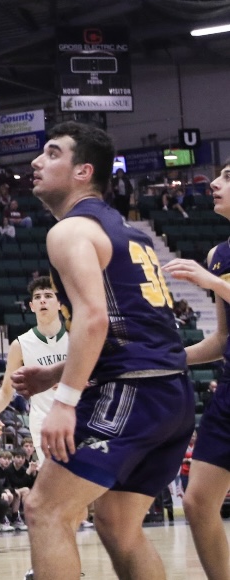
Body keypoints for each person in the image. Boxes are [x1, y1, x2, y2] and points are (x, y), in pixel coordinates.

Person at [14, 123, 194, 580]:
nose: (37, 161)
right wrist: (54, 376)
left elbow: (95, 319)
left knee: (44, 510)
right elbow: (130, 328)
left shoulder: (71, 230)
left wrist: (65, 401)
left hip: (128, 392)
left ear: (83, 172)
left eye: (52, 154)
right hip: (170, 395)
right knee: (118, 524)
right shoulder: (130, 233)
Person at [164, 159, 230, 580]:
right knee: (197, 500)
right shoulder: (218, 255)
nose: (215, 183)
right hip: (229, 392)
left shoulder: (214, 272)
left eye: (228, 178)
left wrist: (213, 283)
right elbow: (223, 339)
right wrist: (169, 358)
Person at [0, 277, 67, 454]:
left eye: (48, 295)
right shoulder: (21, 344)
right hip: (44, 426)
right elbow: (6, 391)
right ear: (32, 306)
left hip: (79, 421)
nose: (42, 300)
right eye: (37, 297)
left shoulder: (76, 338)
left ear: (60, 303)